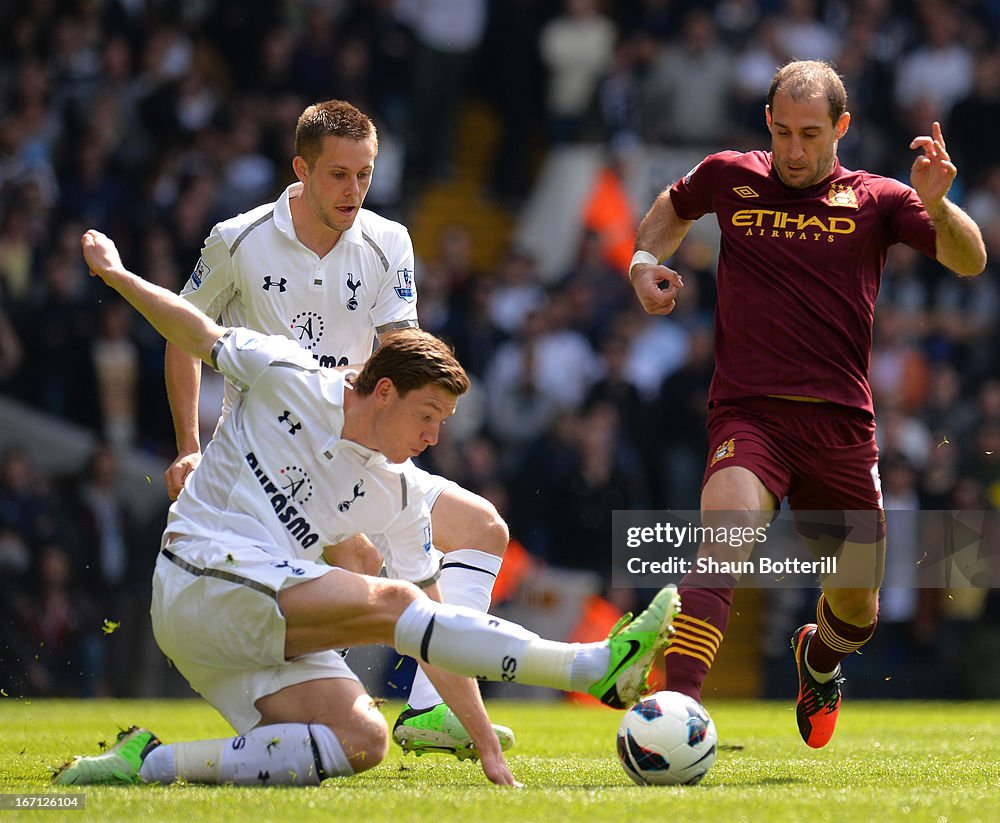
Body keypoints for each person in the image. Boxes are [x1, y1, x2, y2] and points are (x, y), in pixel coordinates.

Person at [54, 230, 679, 788]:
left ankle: (150, 764)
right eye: (428, 416)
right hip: (199, 576)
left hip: (249, 632)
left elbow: (438, 632)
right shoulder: (287, 375)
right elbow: (194, 330)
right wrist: (115, 275)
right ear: (384, 392)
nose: (435, 437)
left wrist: (486, 742)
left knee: (362, 740)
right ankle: (592, 667)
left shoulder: (397, 492)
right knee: (394, 603)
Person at [628, 60, 985, 749]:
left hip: (841, 427)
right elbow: (673, 209)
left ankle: (817, 659)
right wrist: (644, 264)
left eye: (811, 134)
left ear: (841, 128)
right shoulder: (730, 174)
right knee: (724, 535)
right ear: (768, 122)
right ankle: (676, 711)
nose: (795, 150)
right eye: (784, 132)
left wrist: (938, 205)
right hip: (749, 413)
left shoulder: (877, 199)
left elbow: (971, 261)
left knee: (857, 609)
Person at [162, 99, 515, 758]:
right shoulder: (237, 238)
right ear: (302, 170)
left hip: (362, 451)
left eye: (365, 174)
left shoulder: (389, 241)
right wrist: (188, 445)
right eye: (338, 175)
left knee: (484, 528)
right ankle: (289, 701)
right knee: (362, 565)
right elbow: (182, 336)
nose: (354, 190)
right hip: (270, 472)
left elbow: (403, 355)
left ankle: (430, 710)